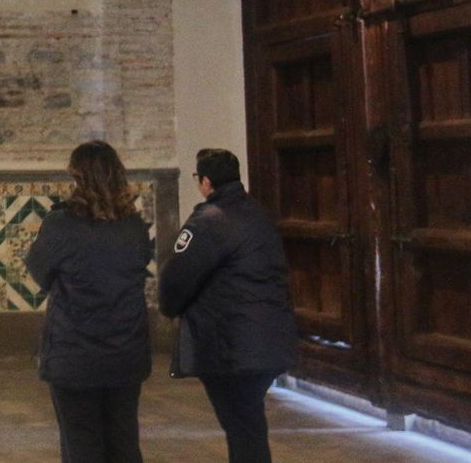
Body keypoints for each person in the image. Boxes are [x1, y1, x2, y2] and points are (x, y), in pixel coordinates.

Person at [159, 148, 297, 463]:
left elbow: (176, 277)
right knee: (246, 423)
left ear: (206, 181)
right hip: (267, 338)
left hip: (230, 345)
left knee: (242, 426)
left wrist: (169, 309)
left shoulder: (207, 221)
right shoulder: (259, 214)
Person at [23, 140, 152, 463]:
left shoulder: (61, 225)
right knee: (124, 443)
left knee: (81, 445)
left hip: (75, 355)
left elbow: (39, 271)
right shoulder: (134, 226)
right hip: (126, 352)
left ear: (78, 178)